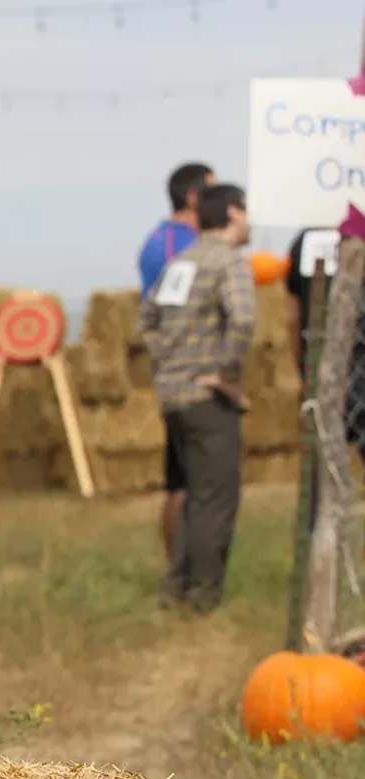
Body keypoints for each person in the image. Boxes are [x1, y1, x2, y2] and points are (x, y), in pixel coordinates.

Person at [139, 183, 254, 614]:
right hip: (206, 398)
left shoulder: (180, 263)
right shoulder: (229, 262)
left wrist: (169, 362)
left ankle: (177, 587)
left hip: (172, 395)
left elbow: (146, 317)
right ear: (231, 213)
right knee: (216, 497)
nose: (251, 221)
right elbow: (242, 321)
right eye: (246, 212)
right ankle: (203, 595)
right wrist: (223, 375)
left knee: (190, 493)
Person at [138, 162, 215, 572]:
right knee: (185, 482)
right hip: (189, 381)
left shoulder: (175, 241)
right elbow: (163, 315)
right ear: (193, 198)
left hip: (183, 377)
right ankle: (186, 572)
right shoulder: (176, 247)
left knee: (187, 480)